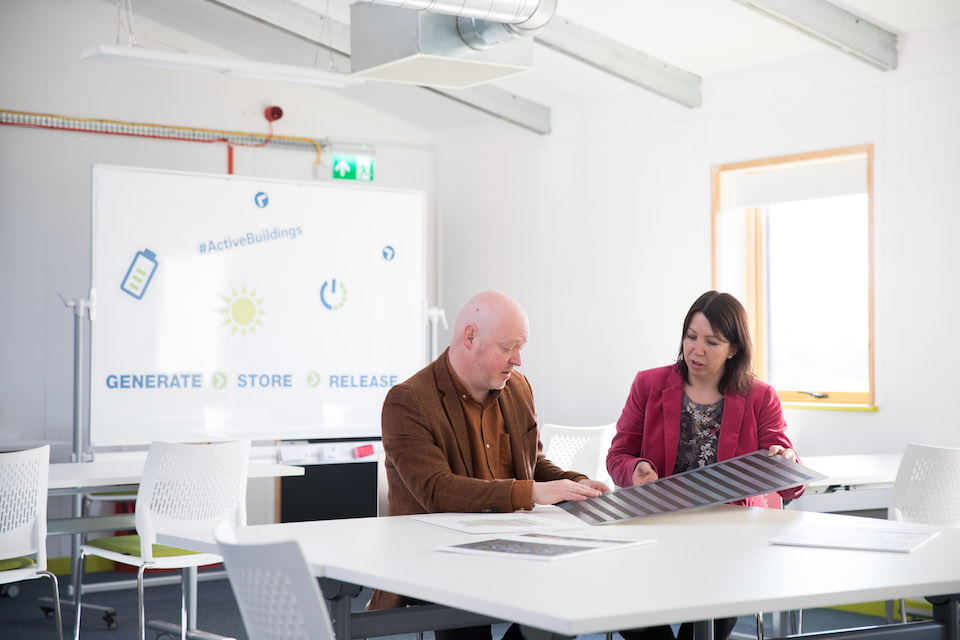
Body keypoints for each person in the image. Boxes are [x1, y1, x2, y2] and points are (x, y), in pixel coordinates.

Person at [368, 291, 610, 640]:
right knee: (475, 619)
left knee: (571, 603)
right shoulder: (408, 401)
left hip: (511, 550)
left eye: (521, 347)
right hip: (435, 563)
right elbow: (437, 490)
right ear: (470, 337)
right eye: (509, 347)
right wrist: (531, 492)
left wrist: (577, 484)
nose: (519, 360)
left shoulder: (518, 388)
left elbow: (532, 463)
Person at [606, 291, 805, 640]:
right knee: (618, 598)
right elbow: (618, 455)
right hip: (657, 532)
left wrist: (785, 462)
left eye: (712, 342)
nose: (696, 350)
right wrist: (635, 468)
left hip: (729, 544)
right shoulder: (649, 385)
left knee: (718, 603)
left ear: (734, 348)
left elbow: (792, 486)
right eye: (691, 337)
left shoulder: (760, 397)